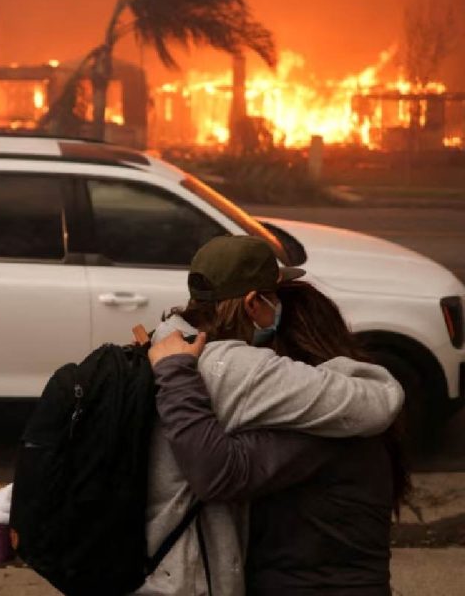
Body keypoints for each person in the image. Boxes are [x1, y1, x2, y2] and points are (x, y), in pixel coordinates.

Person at [134, 236, 404, 596]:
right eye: (273, 295)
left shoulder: (163, 343)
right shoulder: (246, 371)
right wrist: (349, 372)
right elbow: (380, 401)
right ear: (253, 303)